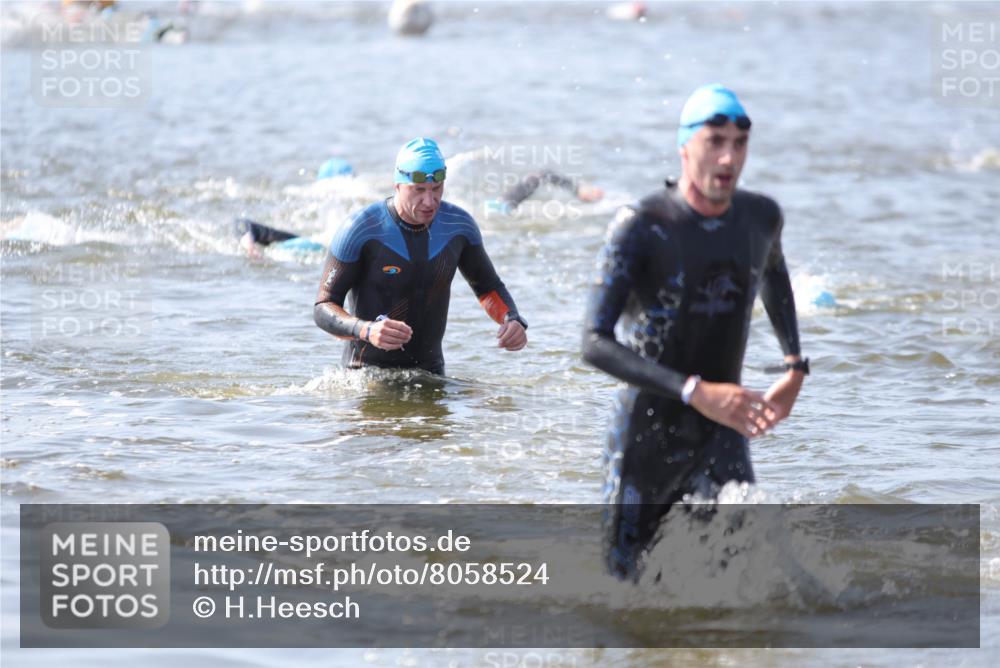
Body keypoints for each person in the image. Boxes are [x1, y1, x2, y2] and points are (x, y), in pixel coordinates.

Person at [581, 84, 808, 581]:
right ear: (685, 147)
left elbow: (773, 271)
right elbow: (594, 342)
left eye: (740, 143)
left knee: (744, 583)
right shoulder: (642, 225)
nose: (728, 157)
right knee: (623, 595)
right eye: (715, 141)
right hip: (647, 436)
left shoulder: (760, 216)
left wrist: (795, 366)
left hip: (722, 432)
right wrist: (693, 391)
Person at [313, 137, 528, 375]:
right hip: (366, 376)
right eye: (418, 190)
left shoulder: (458, 226)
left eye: (436, 189)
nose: (429, 201)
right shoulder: (361, 229)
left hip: (430, 375)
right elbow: (324, 307)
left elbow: (488, 287)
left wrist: (511, 319)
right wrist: (366, 330)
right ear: (398, 185)